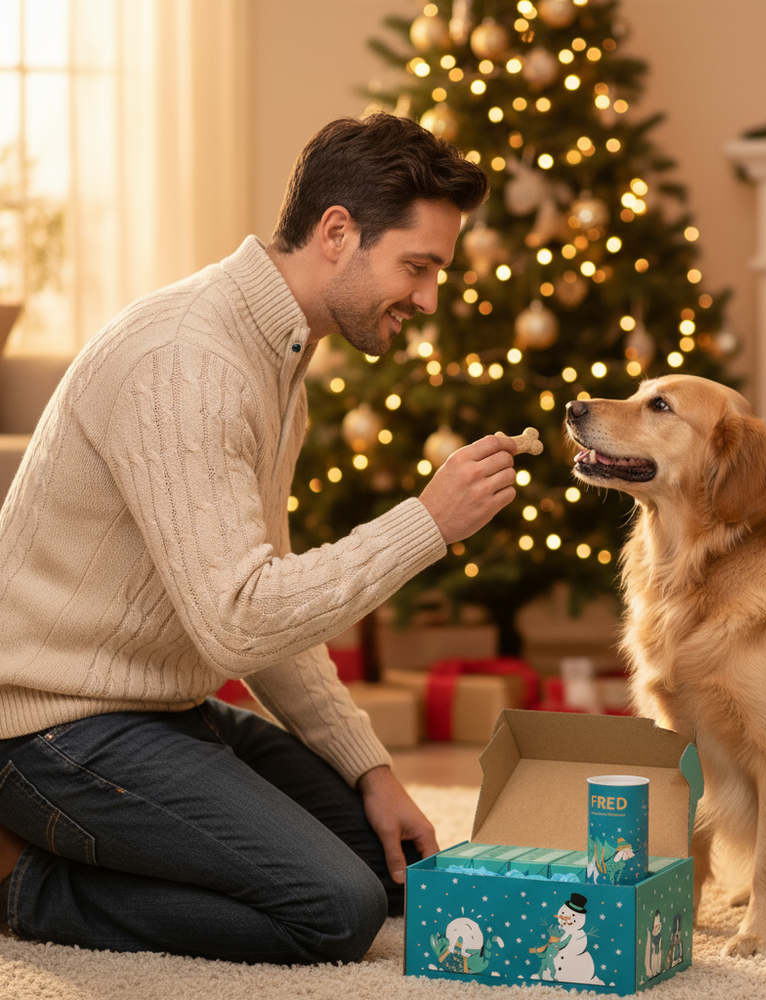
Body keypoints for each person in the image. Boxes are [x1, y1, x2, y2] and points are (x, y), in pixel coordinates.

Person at [0, 112, 518, 965]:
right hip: (52, 727)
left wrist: (370, 769)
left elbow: (266, 607)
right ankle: (24, 880)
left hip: (159, 707)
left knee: (387, 866)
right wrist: (426, 524)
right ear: (338, 233)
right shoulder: (190, 361)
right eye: (417, 267)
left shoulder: (274, 361)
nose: (430, 298)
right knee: (333, 911)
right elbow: (238, 622)